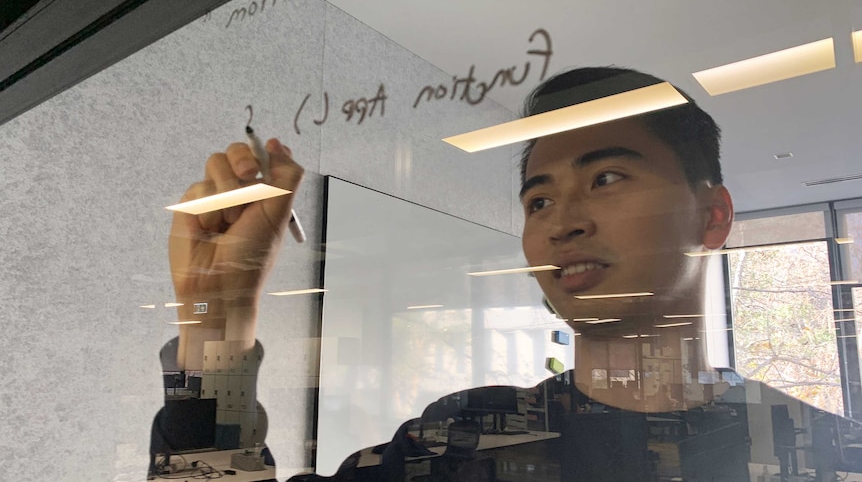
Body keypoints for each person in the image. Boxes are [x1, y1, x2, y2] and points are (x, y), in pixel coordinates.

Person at [161, 67, 859, 481]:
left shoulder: (827, 454)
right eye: (539, 198)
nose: (563, 221)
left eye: (607, 176)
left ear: (711, 216)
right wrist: (215, 329)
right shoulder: (463, 439)